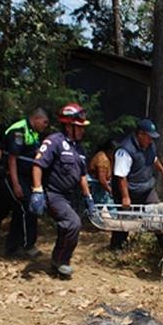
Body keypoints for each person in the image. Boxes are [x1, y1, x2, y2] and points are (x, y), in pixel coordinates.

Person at [31, 102, 96, 278]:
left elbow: (82, 175)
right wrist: (37, 190)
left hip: (70, 196)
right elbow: (38, 165)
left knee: (65, 228)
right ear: (68, 126)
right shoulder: (54, 141)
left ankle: (56, 260)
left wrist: (88, 197)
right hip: (54, 194)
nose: (82, 130)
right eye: (79, 127)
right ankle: (63, 261)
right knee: (73, 223)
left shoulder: (79, 148)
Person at [110, 119, 163, 251]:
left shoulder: (150, 145)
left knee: (156, 217)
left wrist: (162, 170)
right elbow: (121, 176)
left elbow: (154, 158)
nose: (151, 140)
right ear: (140, 134)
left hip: (146, 189)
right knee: (124, 222)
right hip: (129, 191)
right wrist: (125, 197)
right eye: (149, 136)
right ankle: (116, 249)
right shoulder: (125, 150)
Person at [2, 108, 49, 257]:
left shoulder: (33, 132)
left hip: (26, 176)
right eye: (45, 122)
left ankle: (12, 246)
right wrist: (15, 184)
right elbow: (12, 159)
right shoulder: (19, 130)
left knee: (21, 211)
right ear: (36, 118)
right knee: (27, 208)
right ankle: (28, 245)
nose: (45, 126)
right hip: (13, 175)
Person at [88, 139, 117, 204]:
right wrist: (110, 191)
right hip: (96, 188)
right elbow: (102, 179)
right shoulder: (102, 158)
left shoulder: (110, 159)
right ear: (110, 151)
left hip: (103, 187)